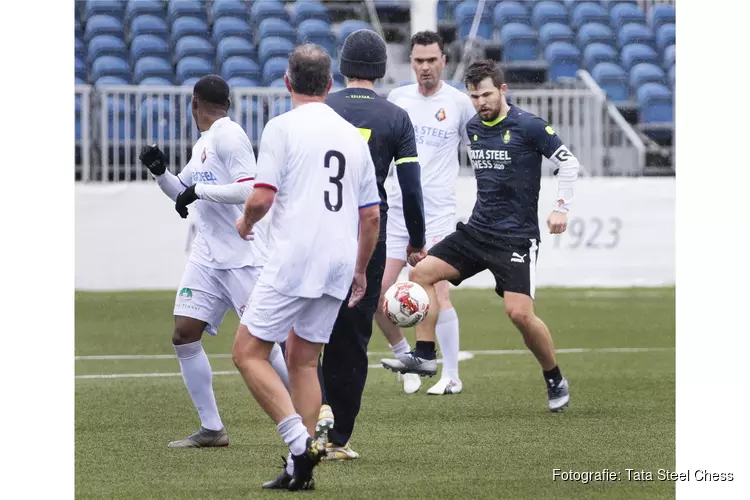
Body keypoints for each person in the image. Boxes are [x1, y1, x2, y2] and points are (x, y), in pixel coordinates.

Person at [381, 60, 580, 412]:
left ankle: (553, 376)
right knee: (422, 272)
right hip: (478, 230)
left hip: (515, 239)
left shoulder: (529, 126)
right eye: (474, 96)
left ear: (503, 91)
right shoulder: (473, 127)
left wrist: (561, 207)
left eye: (486, 94)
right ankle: (425, 355)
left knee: (519, 314)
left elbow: (569, 163)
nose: (480, 102)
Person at [231, 44, 381, 491]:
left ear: (287, 82)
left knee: (247, 352)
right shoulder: (353, 136)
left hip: (296, 256)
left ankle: (300, 442)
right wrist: (360, 268)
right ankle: (301, 472)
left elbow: (261, 197)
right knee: (303, 359)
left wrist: (245, 222)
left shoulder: (282, 127)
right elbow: (371, 215)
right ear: (331, 84)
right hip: (338, 260)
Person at [138, 75, 290, 448]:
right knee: (184, 334)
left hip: (243, 256)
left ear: (194, 103)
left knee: (266, 342)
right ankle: (211, 428)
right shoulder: (205, 143)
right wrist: (160, 173)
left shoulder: (229, 135)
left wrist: (197, 190)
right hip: (207, 257)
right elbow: (182, 192)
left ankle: (313, 412)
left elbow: (248, 188)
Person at [318, 29, 427, 461]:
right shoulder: (395, 117)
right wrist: (417, 240)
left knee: (308, 336)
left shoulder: (320, 109)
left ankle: (308, 423)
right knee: (351, 341)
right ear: (381, 70)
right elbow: (412, 188)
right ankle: (338, 439)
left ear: (343, 67)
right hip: (367, 236)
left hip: (318, 231)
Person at [376, 30, 477, 395]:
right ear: (411, 63)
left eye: (431, 60)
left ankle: (451, 375)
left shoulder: (459, 102)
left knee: (435, 288)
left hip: (436, 216)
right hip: (396, 212)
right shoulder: (398, 98)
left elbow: (475, 151)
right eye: (418, 61)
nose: (425, 67)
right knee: (376, 294)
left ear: (443, 61)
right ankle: (406, 358)